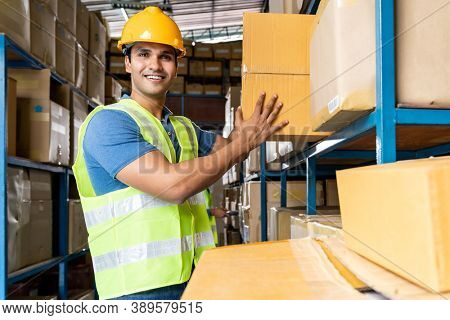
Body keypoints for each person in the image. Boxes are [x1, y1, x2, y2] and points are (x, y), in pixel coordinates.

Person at [72, 6, 288, 300]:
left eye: (165, 56)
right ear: (127, 62)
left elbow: (229, 154)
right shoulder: (108, 123)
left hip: (195, 277)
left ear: (177, 64)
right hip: (138, 292)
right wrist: (242, 143)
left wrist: (247, 133)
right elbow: (173, 186)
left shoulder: (184, 128)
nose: (155, 66)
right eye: (144, 54)